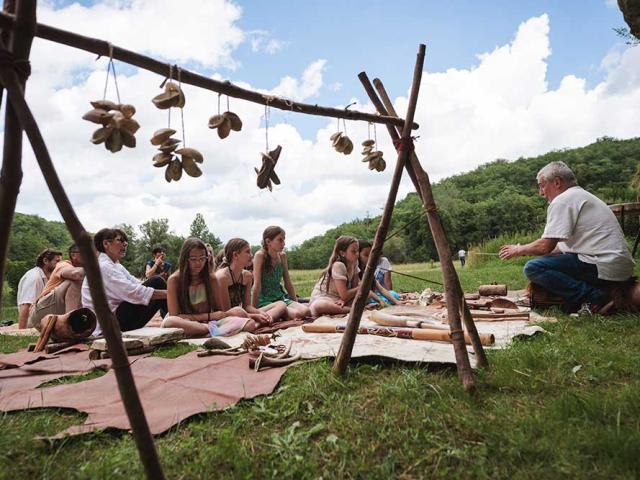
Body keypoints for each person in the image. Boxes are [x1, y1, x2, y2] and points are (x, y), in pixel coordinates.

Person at [499, 161, 635, 311]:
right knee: (544, 263)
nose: (541, 192)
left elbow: (545, 246)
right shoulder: (581, 196)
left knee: (534, 268)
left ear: (557, 182)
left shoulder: (563, 200)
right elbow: (558, 248)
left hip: (603, 264)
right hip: (616, 265)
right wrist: (524, 249)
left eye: (542, 185)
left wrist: (518, 250)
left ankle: (595, 298)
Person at [163, 237, 256, 338]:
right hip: (187, 324)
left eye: (202, 258)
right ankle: (207, 331)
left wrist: (216, 317)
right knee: (170, 322)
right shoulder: (174, 280)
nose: (198, 263)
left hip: (209, 323)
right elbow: (175, 316)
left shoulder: (211, 278)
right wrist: (208, 316)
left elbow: (220, 313)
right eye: (193, 259)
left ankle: (206, 332)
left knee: (244, 317)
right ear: (185, 259)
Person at [81, 228, 167, 332]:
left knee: (157, 283)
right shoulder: (104, 267)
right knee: (157, 282)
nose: (125, 244)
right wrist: (172, 292)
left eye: (126, 241)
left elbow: (137, 283)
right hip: (110, 323)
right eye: (120, 240)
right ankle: (175, 319)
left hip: (118, 317)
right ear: (106, 244)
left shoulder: (116, 266)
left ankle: (173, 318)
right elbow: (132, 292)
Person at [215, 238, 287, 325]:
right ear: (235, 255)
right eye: (247, 252)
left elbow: (247, 306)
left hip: (241, 313)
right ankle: (258, 323)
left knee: (281, 304)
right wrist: (255, 316)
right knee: (241, 314)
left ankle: (266, 319)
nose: (251, 255)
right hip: (226, 317)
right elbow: (227, 312)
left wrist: (259, 313)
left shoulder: (247, 276)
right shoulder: (222, 277)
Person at [309, 236, 376, 316]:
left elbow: (354, 289)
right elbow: (345, 294)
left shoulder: (354, 263)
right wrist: (362, 286)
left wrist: (346, 298)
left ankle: (347, 309)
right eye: (353, 251)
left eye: (357, 250)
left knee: (366, 294)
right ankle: (354, 310)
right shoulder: (338, 265)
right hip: (325, 297)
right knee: (319, 306)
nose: (357, 254)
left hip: (340, 299)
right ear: (342, 253)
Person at [252, 226, 310, 320]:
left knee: (306, 311)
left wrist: (295, 302)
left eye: (284, 240)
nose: (283, 243)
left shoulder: (282, 256)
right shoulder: (260, 255)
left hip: (280, 297)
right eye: (280, 240)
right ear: (268, 242)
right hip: (264, 300)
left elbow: (288, 283)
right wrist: (253, 310)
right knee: (296, 315)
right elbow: (257, 285)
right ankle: (277, 313)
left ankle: (281, 313)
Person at [27, 244, 85, 329]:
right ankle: (72, 325)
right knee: (75, 282)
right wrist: (97, 267)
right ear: (74, 255)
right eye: (88, 253)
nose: (93, 256)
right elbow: (76, 274)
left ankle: (75, 322)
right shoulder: (63, 264)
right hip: (39, 314)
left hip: (53, 313)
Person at [16, 249, 62, 329]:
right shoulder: (34, 277)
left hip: (43, 313)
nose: (59, 264)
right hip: (33, 320)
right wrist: (22, 330)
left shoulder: (50, 276)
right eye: (57, 261)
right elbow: (25, 305)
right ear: (45, 261)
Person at [358, 240, 401, 305]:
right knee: (384, 301)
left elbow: (381, 289)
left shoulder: (368, 269)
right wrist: (380, 300)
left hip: (374, 294)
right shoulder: (356, 271)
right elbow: (365, 290)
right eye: (366, 255)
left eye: (370, 255)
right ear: (358, 255)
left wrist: (397, 302)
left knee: (394, 295)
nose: (369, 258)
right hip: (366, 296)